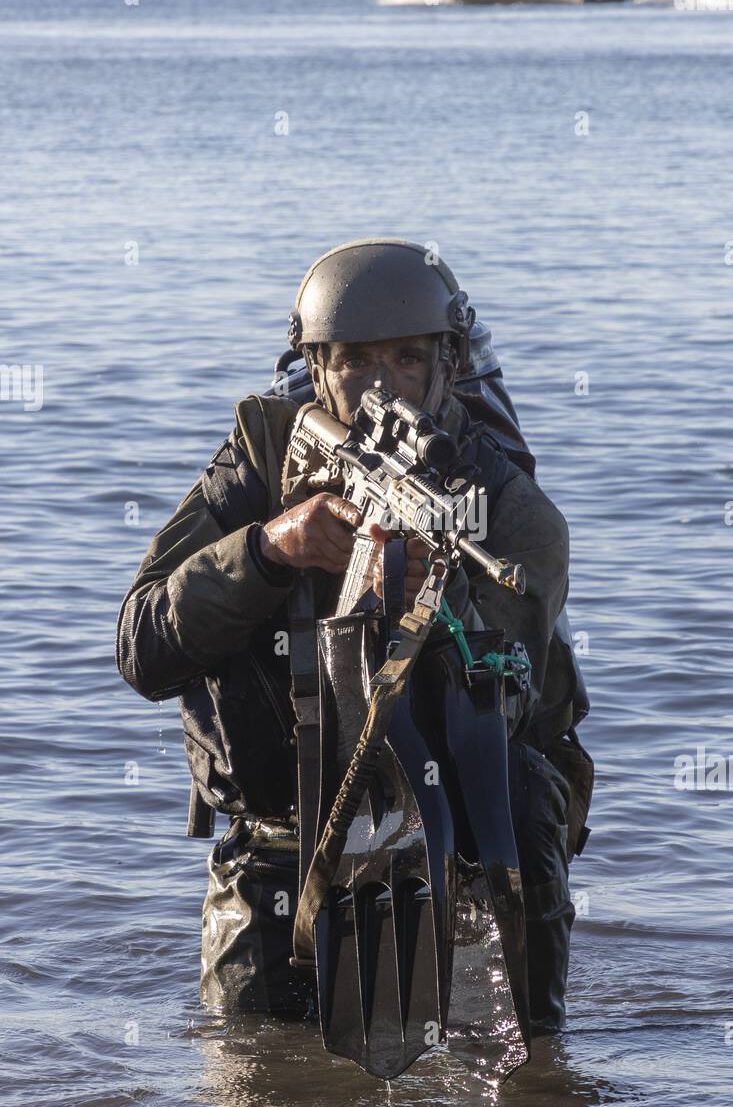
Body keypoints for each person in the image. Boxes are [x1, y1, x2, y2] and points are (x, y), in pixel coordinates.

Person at [116, 239, 592, 1039]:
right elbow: (143, 647)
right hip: (278, 847)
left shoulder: (509, 513)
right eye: (355, 361)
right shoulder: (260, 464)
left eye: (408, 360)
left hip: (449, 847)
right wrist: (271, 552)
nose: (381, 384)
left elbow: (506, 720)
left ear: (448, 365)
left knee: (518, 1097)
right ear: (316, 365)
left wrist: (434, 614)